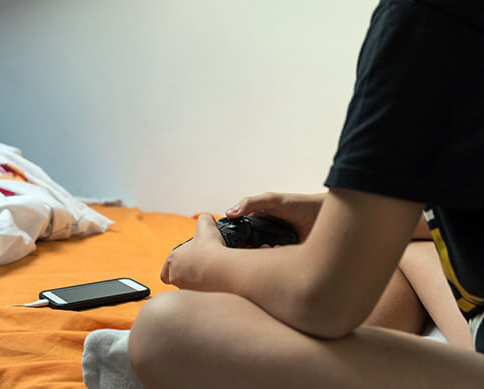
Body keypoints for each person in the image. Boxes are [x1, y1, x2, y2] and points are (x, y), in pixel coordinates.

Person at [127, 0, 484, 387]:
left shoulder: (430, 17)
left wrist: (203, 263)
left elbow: (326, 301)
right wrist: (329, 214)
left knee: (166, 330)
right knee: (400, 249)